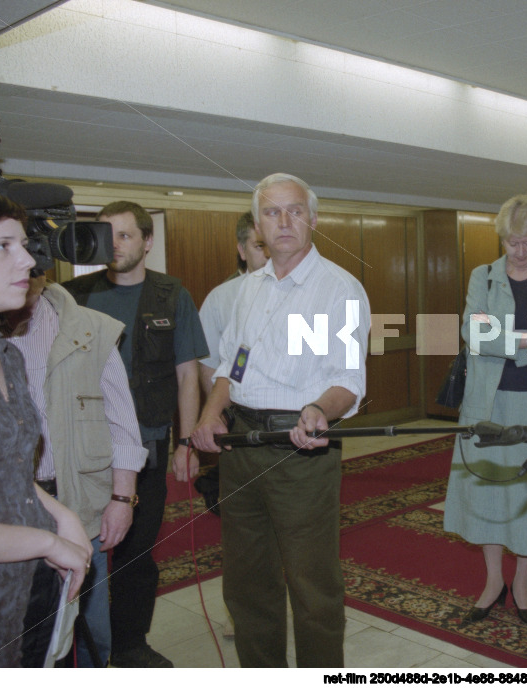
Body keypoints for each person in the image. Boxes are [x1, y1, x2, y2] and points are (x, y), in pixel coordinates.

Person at [191, 173, 371, 667]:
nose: (284, 221)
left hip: (301, 445)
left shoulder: (340, 290)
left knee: (312, 586)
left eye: (294, 211)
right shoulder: (248, 290)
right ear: (258, 225)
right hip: (242, 447)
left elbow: (348, 379)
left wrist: (319, 410)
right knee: (247, 582)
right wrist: (210, 414)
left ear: (313, 219)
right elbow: (232, 364)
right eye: (272, 213)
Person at [63, 200, 208, 668]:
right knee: (77, 549)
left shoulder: (172, 295)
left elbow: (188, 375)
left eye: (125, 235)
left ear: (147, 242)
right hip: (84, 450)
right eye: (107, 235)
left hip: (148, 444)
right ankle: (77, 648)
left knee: (135, 551)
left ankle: (129, 644)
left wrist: (186, 442)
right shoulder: (73, 296)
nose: (115, 245)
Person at [0, 188, 91, 667]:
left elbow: (6, 470)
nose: (28, 261)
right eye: (3, 246)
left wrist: (62, 515)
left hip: (25, 587)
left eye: (24, 245)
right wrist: (45, 541)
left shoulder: (6, 352)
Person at [2, 275, 147, 668]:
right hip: (5, 513)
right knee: (16, 634)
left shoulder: (91, 328)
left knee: (90, 629)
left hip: (80, 508)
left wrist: (121, 498)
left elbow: (122, 423)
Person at [443, 194, 527, 624]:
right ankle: (494, 580)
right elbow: (473, 336)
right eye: (512, 243)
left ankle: (521, 582)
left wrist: (510, 339)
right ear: (502, 239)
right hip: (488, 402)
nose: (520, 251)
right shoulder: (483, 276)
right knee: (489, 491)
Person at [198, 210, 269, 395]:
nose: (269, 254)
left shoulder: (303, 295)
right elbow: (209, 364)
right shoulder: (219, 299)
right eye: (260, 246)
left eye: (273, 245)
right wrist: (218, 414)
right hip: (238, 407)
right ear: (242, 251)